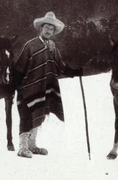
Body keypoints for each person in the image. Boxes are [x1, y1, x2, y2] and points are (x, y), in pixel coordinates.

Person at [11, 11, 83, 158]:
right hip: (27, 88)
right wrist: (16, 87)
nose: (49, 30)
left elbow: (60, 66)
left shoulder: (52, 46)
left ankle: (32, 145)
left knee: (39, 113)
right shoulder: (30, 45)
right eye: (47, 27)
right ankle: (22, 147)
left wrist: (74, 72)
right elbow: (19, 68)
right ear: (41, 28)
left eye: (52, 28)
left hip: (43, 88)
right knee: (26, 115)